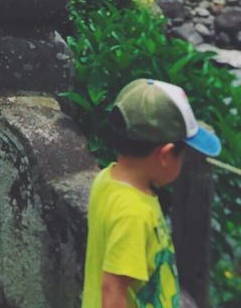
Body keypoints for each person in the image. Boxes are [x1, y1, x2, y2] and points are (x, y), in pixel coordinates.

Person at [82, 79, 220, 308]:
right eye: (183, 155)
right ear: (165, 155)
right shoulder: (134, 213)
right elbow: (113, 290)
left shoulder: (107, 179)